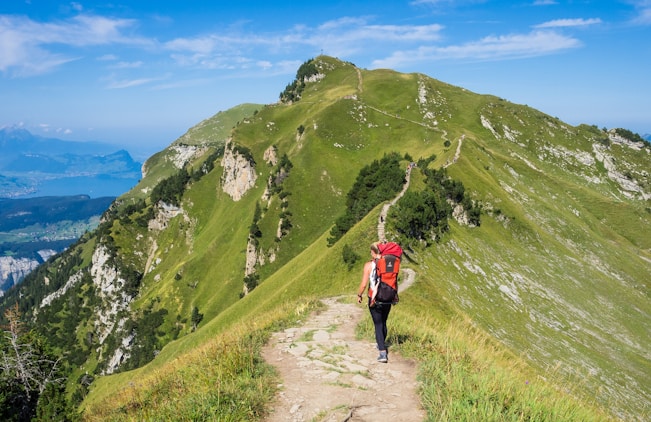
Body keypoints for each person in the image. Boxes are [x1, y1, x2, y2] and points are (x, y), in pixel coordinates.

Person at [356, 242, 391, 363]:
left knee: (378, 324)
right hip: (388, 297)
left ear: (373, 252)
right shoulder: (389, 263)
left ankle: (382, 352)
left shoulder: (368, 265)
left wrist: (359, 295)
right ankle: (381, 342)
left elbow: (364, 284)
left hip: (374, 297)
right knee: (384, 321)